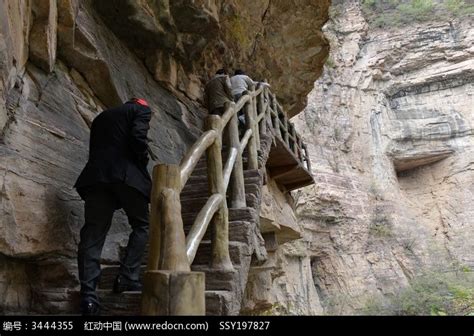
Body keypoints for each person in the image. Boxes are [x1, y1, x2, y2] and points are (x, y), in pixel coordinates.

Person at [74, 98, 152, 316]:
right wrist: (142, 160)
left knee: (93, 234)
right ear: (140, 104)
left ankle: (88, 296)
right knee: (142, 225)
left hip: (96, 178)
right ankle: (127, 277)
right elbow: (138, 137)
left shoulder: (101, 117)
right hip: (126, 176)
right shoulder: (141, 110)